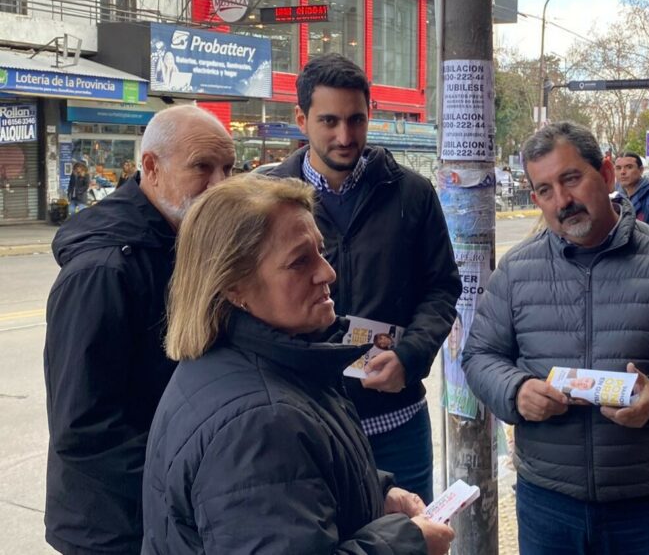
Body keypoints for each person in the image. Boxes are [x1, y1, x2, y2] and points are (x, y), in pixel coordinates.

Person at [462, 121, 649, 555]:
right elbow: (479, 355)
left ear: (606, 174)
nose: (562, 201)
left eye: (571, 178)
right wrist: (515, 391)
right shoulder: (516, 271)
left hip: (645, 503)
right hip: (547, 502)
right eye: (545, 190)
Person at [142, 175, 453, 555]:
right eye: (299, 262)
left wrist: (376, 493)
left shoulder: (257, 365)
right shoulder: (259, 422)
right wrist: (409, 543)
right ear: (234, 287)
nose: (328, 273)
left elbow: (293, 484)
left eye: (321, 251)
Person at [43, 106, 235, 555]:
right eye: (202, 167)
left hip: (170, 516)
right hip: (115, 527)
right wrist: (191, 484)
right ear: (151, 167)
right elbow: (85, 428)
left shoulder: (186, 242)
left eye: (228, 168)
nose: (220, 185)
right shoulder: (102, 272)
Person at [268, 54, 460, 502]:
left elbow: (442, 287)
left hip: (397, 426)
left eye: (356, 119)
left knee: (411, 535)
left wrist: (410, 356)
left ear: (370, 113)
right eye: (329, 121)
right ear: (301, 119)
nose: (345, 136)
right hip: (305, 424)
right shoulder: (266, 200)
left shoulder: (412, 193)